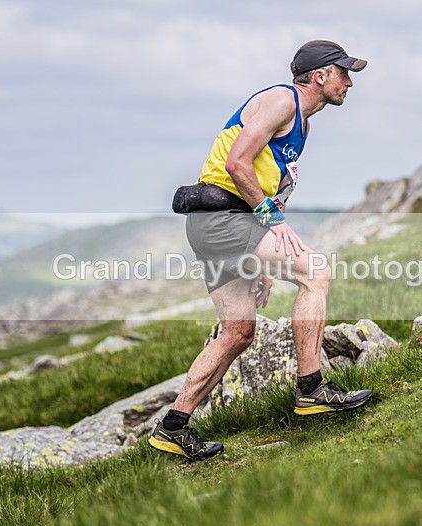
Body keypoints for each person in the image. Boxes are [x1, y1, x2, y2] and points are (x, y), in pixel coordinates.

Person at [150, 40, 373, 461]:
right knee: (315, 272)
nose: (349, 82)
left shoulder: (303, 123)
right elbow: (237, 163)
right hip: (222, 220)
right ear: (321, 75)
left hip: (217, 225)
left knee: (238, 332)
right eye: (344, 73)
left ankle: (173, 427)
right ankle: (312, 390)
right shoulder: (280, 100)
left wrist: (260, 257)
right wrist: (271, 223)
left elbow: (268, 181)